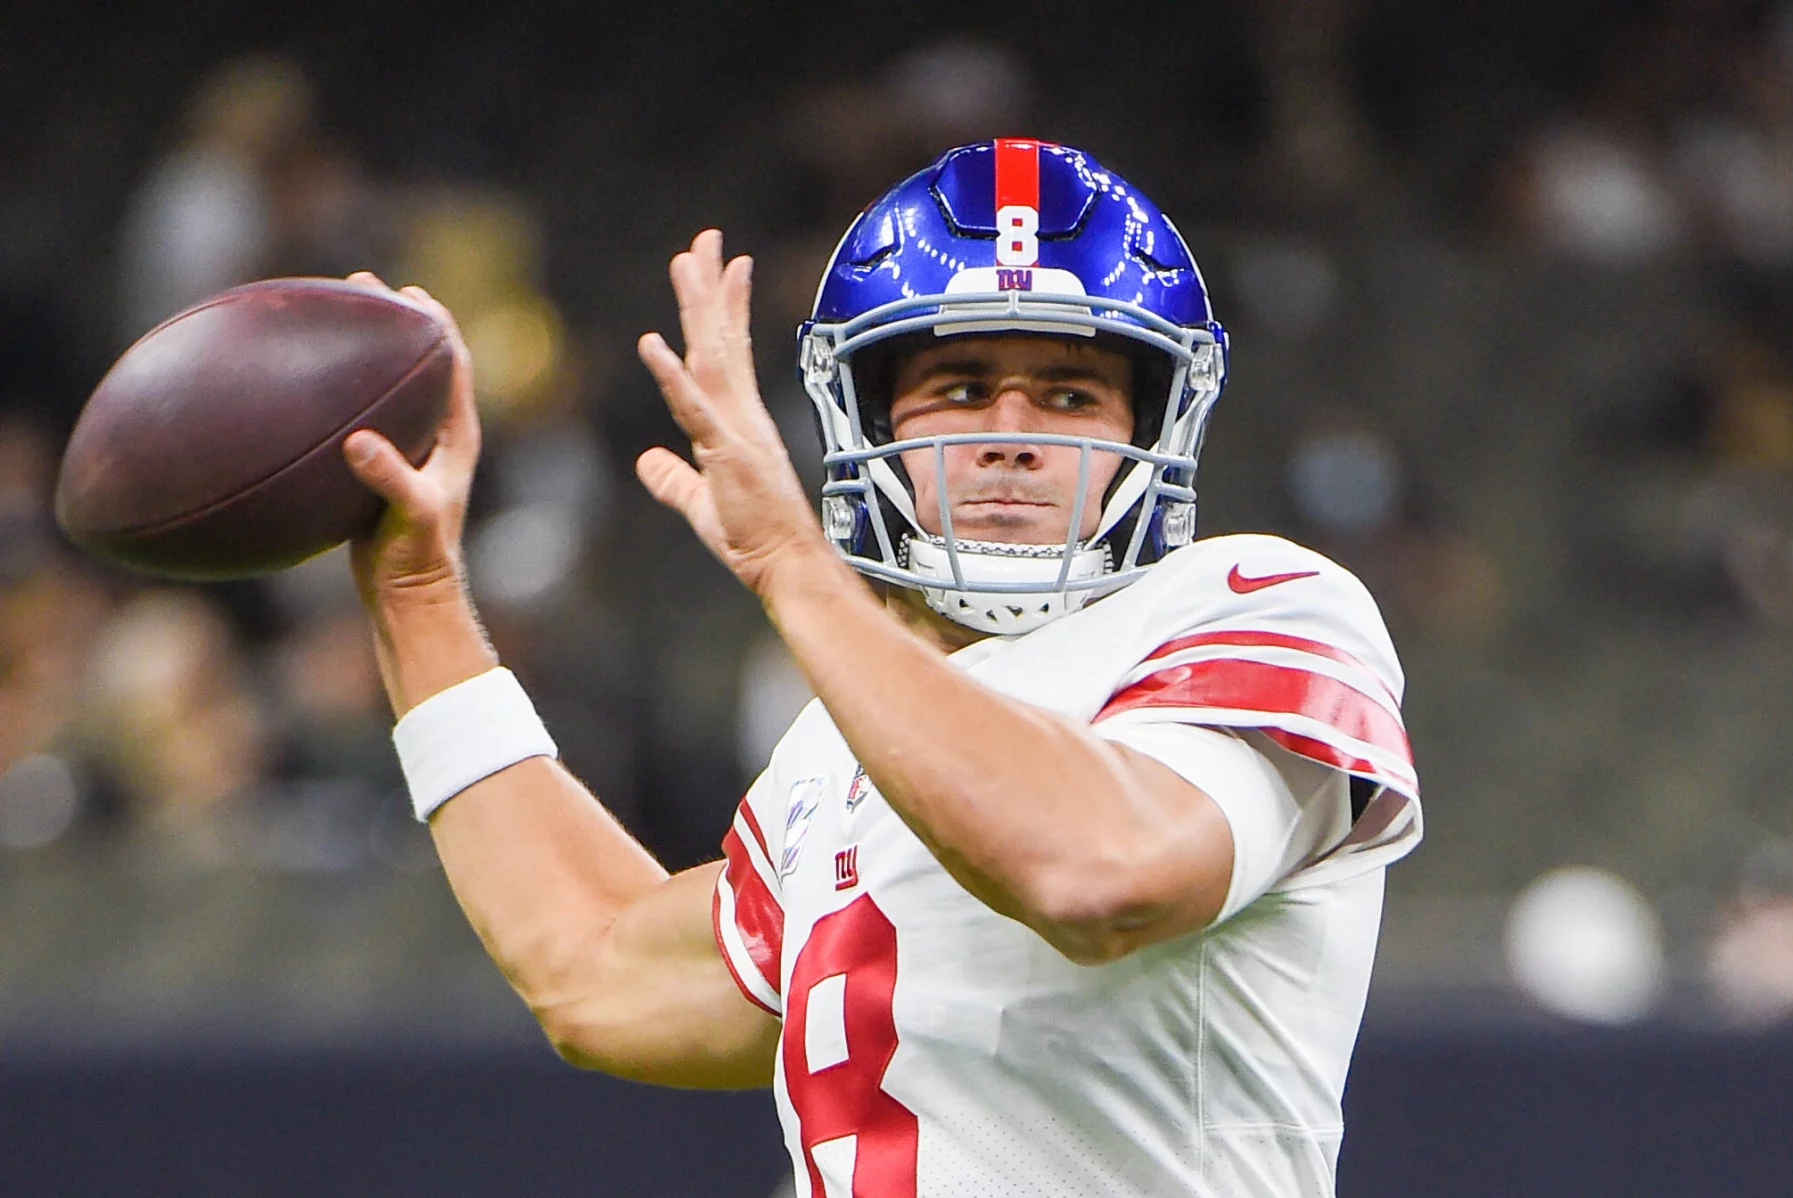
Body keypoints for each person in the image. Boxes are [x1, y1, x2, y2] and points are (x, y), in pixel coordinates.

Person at [341, 139, 1421, 1198]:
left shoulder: (1253, 605)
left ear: (1158, 422)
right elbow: (595, 969)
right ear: (866, 419)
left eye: (1070, 394)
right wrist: (417, 598)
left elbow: (1102, 874)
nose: (1011, 434)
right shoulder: (841, 734)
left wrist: (797, 572)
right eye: (958, 385)